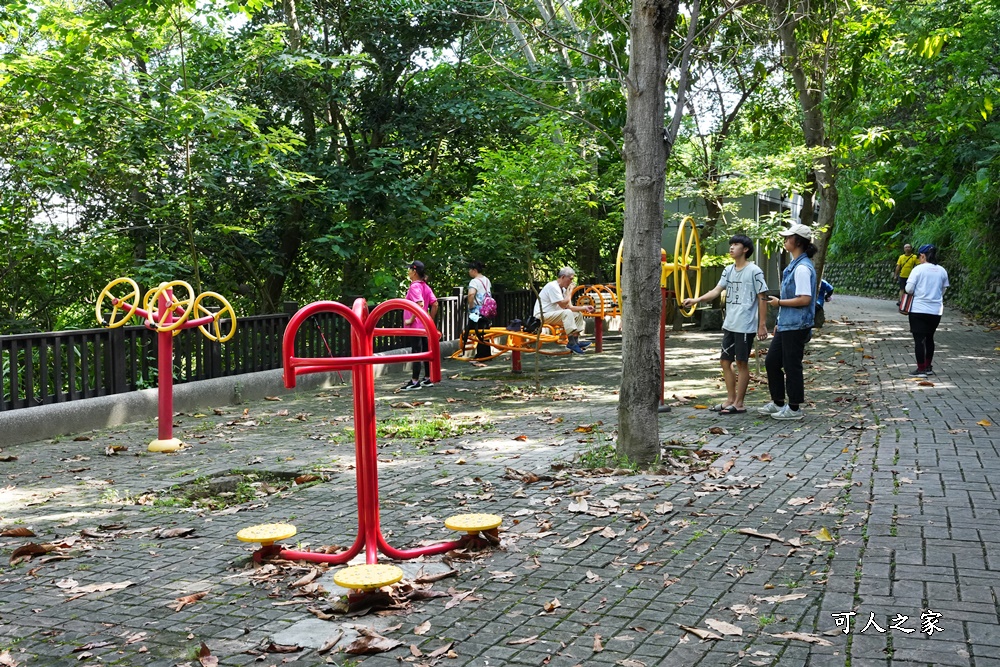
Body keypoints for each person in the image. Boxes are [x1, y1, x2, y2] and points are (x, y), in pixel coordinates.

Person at [682, 235, 768, 414]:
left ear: (745, 249)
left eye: (735, 245)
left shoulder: (754, 271)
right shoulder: (728, 270)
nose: (731, 248)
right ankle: (730, 399)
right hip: (730, 324)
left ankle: (739, 403)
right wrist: (696, 300)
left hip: (745, 325)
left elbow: (762, 297)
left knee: (742, 362)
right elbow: (716, 291)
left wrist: (762, 325)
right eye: (730, 245)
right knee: (724, 361)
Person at [759, 223, 817, 421]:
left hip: (797, 325)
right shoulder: (795, 265)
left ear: (798, 241)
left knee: (792, 365)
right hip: (787, 324)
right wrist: (780, 319)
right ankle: (778, 402)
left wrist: (778, 303)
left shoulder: (802, 268)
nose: (785, 240)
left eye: (788, 237)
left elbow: (804, 299)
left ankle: (793, 408)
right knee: (772, 361)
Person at [905, 244, 949, 377]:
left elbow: (909, 289)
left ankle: (921, 369)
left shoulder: (918, 270)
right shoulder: (942, 270)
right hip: (935, 310)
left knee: (919, 339)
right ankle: (928, 367)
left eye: (919, 256)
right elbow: (943, 289)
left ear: (923, 255)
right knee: (929, 338)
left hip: (918, 309)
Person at [534, 267, 593, 354]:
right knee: (567, 313)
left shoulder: (563, 289)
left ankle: (576, 342)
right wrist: (571, 291)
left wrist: (584, 308)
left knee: (577, 314)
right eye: (570, 279)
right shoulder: (552, 287)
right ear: (563, 277)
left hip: (554, 315)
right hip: (542, 315)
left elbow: (569, 307)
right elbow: (563, 304)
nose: (571, 282)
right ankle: (571, 342)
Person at [400, 261, 438, 391]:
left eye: (409, 269)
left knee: (416, 352)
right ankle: (427, 378)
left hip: (416, 326)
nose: (408, 272)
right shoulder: (425, 286)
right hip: (424, 326)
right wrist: (430, 321)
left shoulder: (414, 286)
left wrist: (411, 319)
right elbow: (435, 304)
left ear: (414, 272)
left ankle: (415, 381)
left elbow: (420, 303)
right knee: (426, 352)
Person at [463, 261, 493, 368]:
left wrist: (470, 306)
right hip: (487, 309)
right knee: (485, 332)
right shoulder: (486, 280)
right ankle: (487, 353)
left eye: (470, 270)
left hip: (477, 310)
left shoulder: (474, 281)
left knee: (477, 331)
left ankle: (480, 355)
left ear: (474, 270)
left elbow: (471, 294)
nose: (469, 272)